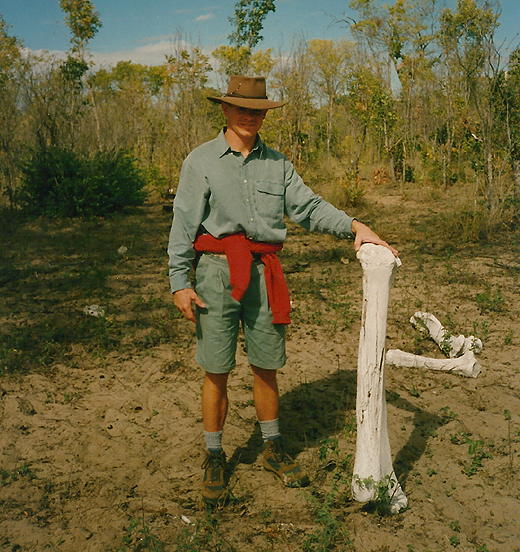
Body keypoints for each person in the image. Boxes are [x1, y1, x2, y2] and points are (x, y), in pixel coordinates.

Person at [168, 75, 397, 505]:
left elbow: (308, 207)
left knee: (266, 364)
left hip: (264, 274)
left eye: (257, 110)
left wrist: (354, 225)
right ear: (225, 110)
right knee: (216, 368)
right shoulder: (200, 161)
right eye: (242, 108)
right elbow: (182, 226)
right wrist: (180, 282)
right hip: (216, 274)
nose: (250, 116)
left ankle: (273, 447)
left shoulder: (278, 164)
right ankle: (214, 455)